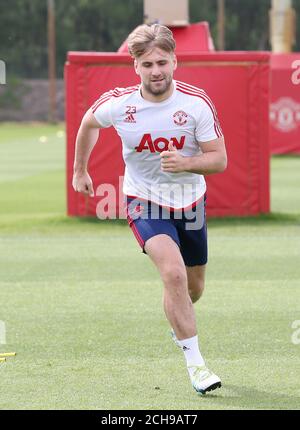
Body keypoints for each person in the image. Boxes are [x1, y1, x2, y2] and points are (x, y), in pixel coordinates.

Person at [72, 24, 227, 395]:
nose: (156, 70)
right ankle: (197, 366)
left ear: (175, 61)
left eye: (162, 61)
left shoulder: (196, 103)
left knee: (193, 289)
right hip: (144, 200)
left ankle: (178, 322)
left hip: (191, 203)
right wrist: (80, 170)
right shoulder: (120, 104)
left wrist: (186, 163)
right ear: (135, 67)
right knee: (172, 274)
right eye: (147, 63)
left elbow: (219, 160)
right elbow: (88, 123)